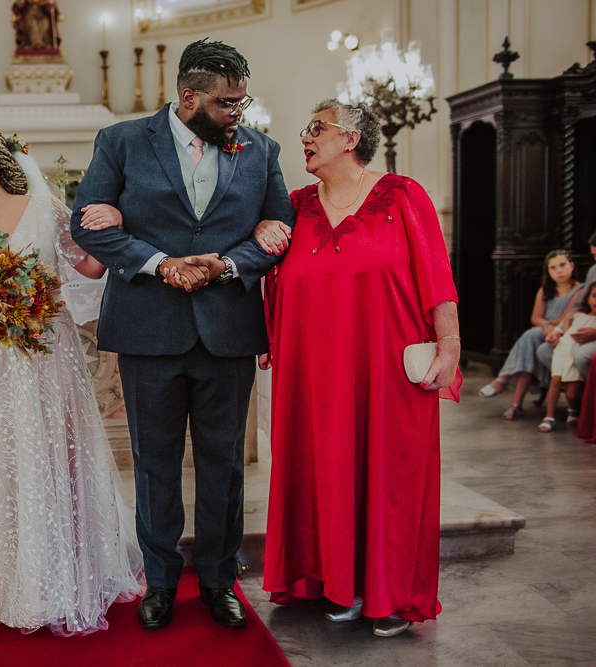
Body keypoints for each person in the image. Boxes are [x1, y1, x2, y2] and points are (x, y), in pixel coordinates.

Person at [70, 39, 294, 630]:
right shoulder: (121, 141)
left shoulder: (261, 149)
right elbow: (87, 223)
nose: (236, 113)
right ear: (189, 97)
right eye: (226, 103)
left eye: (242, 102)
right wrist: (159, 263)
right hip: (149, 329)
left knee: (224, 465)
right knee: (155, 464)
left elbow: (279, 226)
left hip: (227, 329)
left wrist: (229, 265)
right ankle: (162, 582)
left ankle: (220, 581)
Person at [0, 126, 142, 635]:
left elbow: (88, 268)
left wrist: (115, 222)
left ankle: (69, 576)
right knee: (1, 463)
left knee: (55, 456)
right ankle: (11, 583)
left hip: (48, 358)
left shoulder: (47, 212)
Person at [259, 100, 461, 638]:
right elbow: (271, 274)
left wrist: (449, 345)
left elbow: (437, 276)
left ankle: (390, 595)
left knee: (390, 476)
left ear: (350, 139)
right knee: (323, 471)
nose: (305, 137)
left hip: (385, 369)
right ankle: (337, 584)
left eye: (317, 128)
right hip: (313, 375)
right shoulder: (295, 207)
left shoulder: (402, 195)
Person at [478, 250, 581, 419]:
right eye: (553, 268)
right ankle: (515, 405)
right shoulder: (545, 290)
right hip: (545, 332)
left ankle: (504, 381)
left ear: (571, 265)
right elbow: (535, 317)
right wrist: (546, 326)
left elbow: (567, 317)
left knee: (530, 336)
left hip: (564, 332)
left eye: (562, 265)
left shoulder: (579, 290)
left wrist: (549, 326)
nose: (559, 271)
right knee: (530, 348)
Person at [538, 281, 596, 431]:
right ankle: (549, 417)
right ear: (587, 299)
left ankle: (573, 410)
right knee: (555, 381)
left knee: (571, 394)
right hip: (562, 351)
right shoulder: (575, 316)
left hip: (575, 355)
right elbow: (561, 330)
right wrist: (555, 335)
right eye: (594, 296)